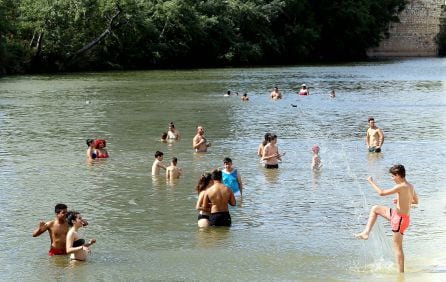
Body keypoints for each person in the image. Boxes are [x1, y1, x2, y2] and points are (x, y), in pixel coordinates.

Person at [355, 164, 419, 273]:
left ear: (398, 175)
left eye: (393, 176)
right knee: (375, 208)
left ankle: (401, 274)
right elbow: (416, 202)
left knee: (398, 248)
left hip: (399, 220)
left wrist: (371, 182)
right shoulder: (410, 186)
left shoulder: (400, 186)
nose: (392, 179)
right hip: (398, 216)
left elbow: (381, 193)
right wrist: (399, 201)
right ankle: (366, 232)